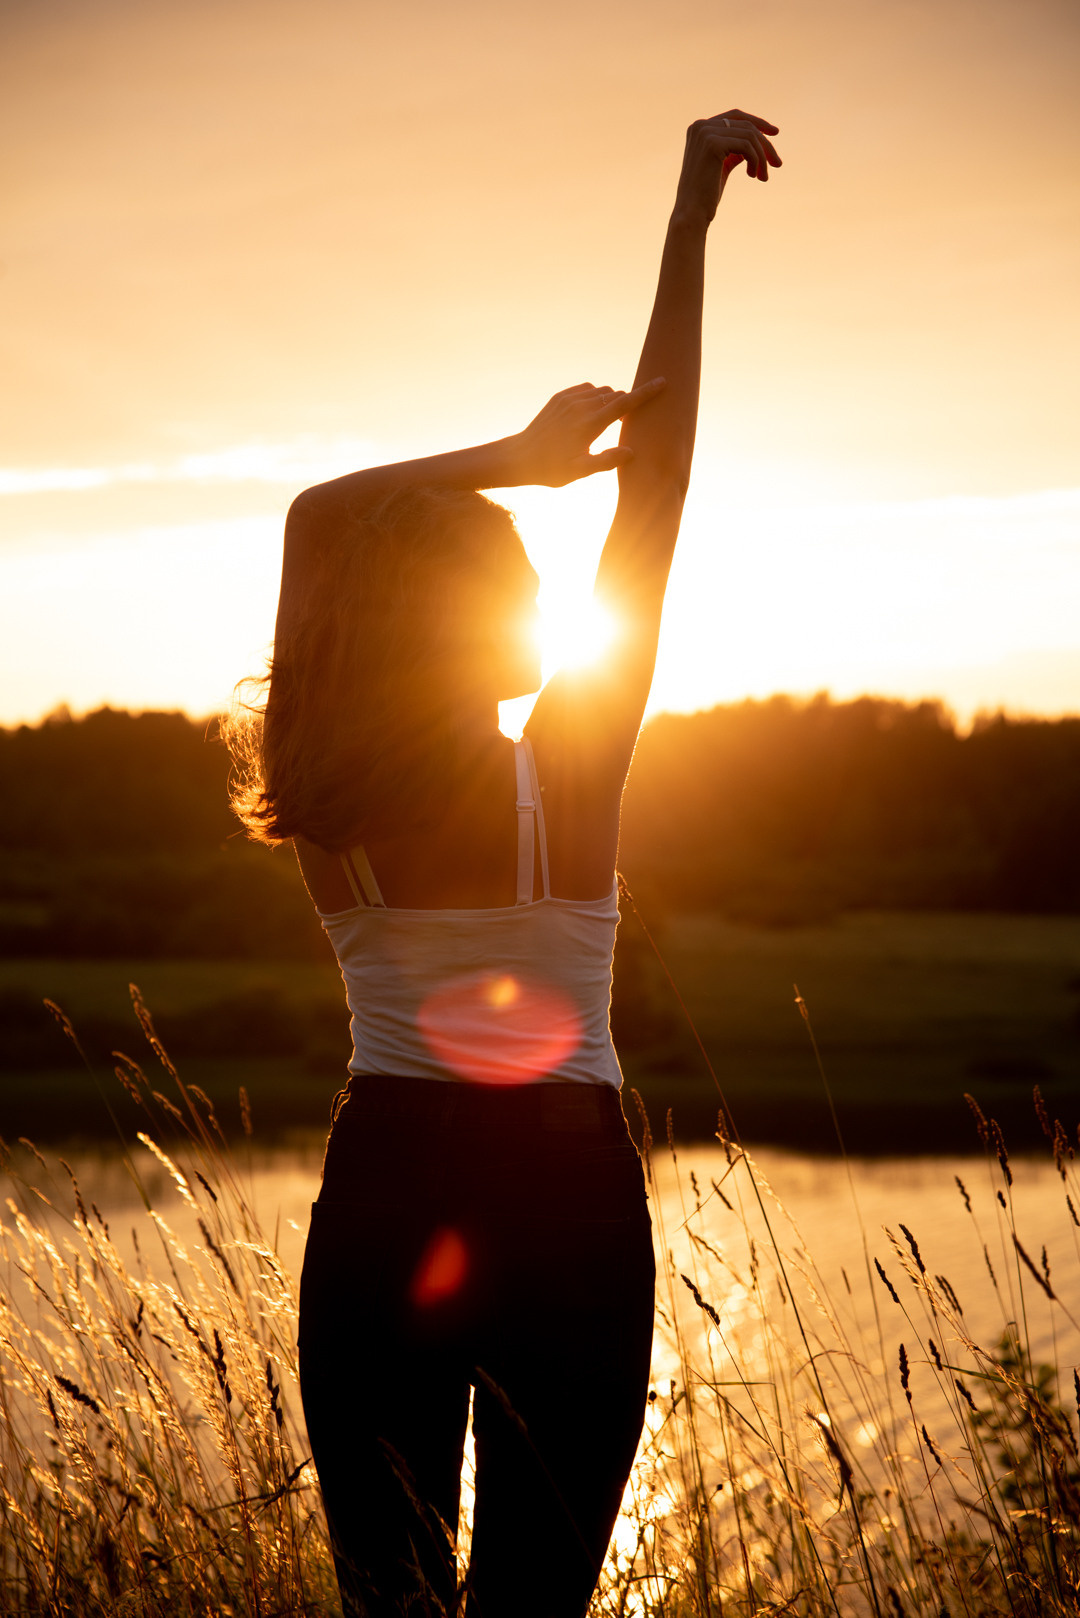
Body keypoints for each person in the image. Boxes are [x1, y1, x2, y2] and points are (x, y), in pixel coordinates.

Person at [228, 109, 781, 1618]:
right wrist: (686, 222)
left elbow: (312, 515)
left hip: (388, 1191)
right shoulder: (573, 771)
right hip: (569, 1206)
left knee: (390, 1603)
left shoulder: (324, 806)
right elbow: (657, 490)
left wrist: (510, 462)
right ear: (492, 630)